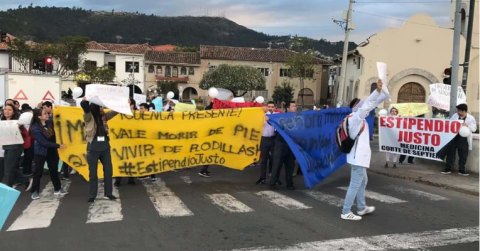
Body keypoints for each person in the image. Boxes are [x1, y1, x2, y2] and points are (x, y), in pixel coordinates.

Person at [341, 79, 387, 221]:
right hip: (357, 158)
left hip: (359, 157)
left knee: (362, 181)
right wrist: (377, 91)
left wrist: (384, 94)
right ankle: (346, 211)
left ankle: (361, 207)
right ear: (357, 107)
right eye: (362, 105)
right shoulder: (355, 118)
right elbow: (367, 106)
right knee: (355, 184)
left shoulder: (358, 119)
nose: (366, 107)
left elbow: (371, 104)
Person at [80, 97, 119, 203]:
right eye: (100, 107)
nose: (102, 109)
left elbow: (114, 112)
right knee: (93, 173)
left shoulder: (104, 117)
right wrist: (84, 101)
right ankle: (92, 195)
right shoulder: (88, 117)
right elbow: (85, 108)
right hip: (93, 148)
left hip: (105, 147)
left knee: (108, 171)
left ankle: (108, 193)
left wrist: (123, 104)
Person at [29, 108, 68, 200]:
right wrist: (58, 145)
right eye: (45, 114)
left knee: (54, 170)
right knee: (38, 172)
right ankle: (34, 191)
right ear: (39, 117)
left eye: (47, 113)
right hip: (41, 152)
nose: (47, 115)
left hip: (51, 151)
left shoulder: (49, 123)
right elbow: (43, 142)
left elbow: (59, 121)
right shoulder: (35, 128)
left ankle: (58, 189)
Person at [1, 104, 33, 190]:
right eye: (5, 109)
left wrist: (17, 129)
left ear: (13, 112)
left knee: (8, 170)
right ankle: (26, 180)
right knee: (9, 168)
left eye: (9, 110)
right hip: (6, 146)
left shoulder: (18, 122)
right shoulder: (2, 121)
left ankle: (9, 189)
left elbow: (24, 135)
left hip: (15, 147)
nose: (7, 111)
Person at [441, 103, 477, 176]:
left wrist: (467, 126)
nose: (458, 112)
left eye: (459, 111)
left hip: (463, 138)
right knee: (450, 153)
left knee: (463, 154)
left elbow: (474, 129)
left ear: (464, 111)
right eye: (458, 110)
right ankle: (447, 168)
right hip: (454, 137)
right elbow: (449, 123)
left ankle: (461, 170)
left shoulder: (471, 118)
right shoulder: (455, 116)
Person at [268, 101, 297, 190]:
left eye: (295, 106)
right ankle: (272, 183)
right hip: (280, 144)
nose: (295, 107)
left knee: (290, 165)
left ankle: (289, 183)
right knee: (277, 164)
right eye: (293, 106)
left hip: (291, 145)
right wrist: (268, 119)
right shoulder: (281, 117)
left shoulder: (298, 117)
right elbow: (272, 121)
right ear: (288, 108)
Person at [256, 101, 277, 185]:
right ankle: (262, 177)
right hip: (264, 139)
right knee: (264, 159)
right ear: (267, 107)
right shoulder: (262, 115)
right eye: (269, 106)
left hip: (274, 139)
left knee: (274, 159)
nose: (271, 108)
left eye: (272, 106)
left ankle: (274, 177)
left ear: (274, 107)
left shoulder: (276, 115)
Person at [136, 102, 157, 181]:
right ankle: (145, 173)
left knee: (151, 158)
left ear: (146, 109)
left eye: (141, 108)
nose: (140, 110)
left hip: (151, 141)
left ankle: (153, 175)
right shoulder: (139, 117)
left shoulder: (152, 117)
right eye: (139, 108)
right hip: (142, 141)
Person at [199, 98, 214, 177]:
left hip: (209, 136)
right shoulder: (207, 109)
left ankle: (205, 170)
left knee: (209, 155)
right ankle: (203, 171)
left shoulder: (208, 109)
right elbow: (209, 108)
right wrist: (212, 102)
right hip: (207, 137)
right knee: (208, 155)